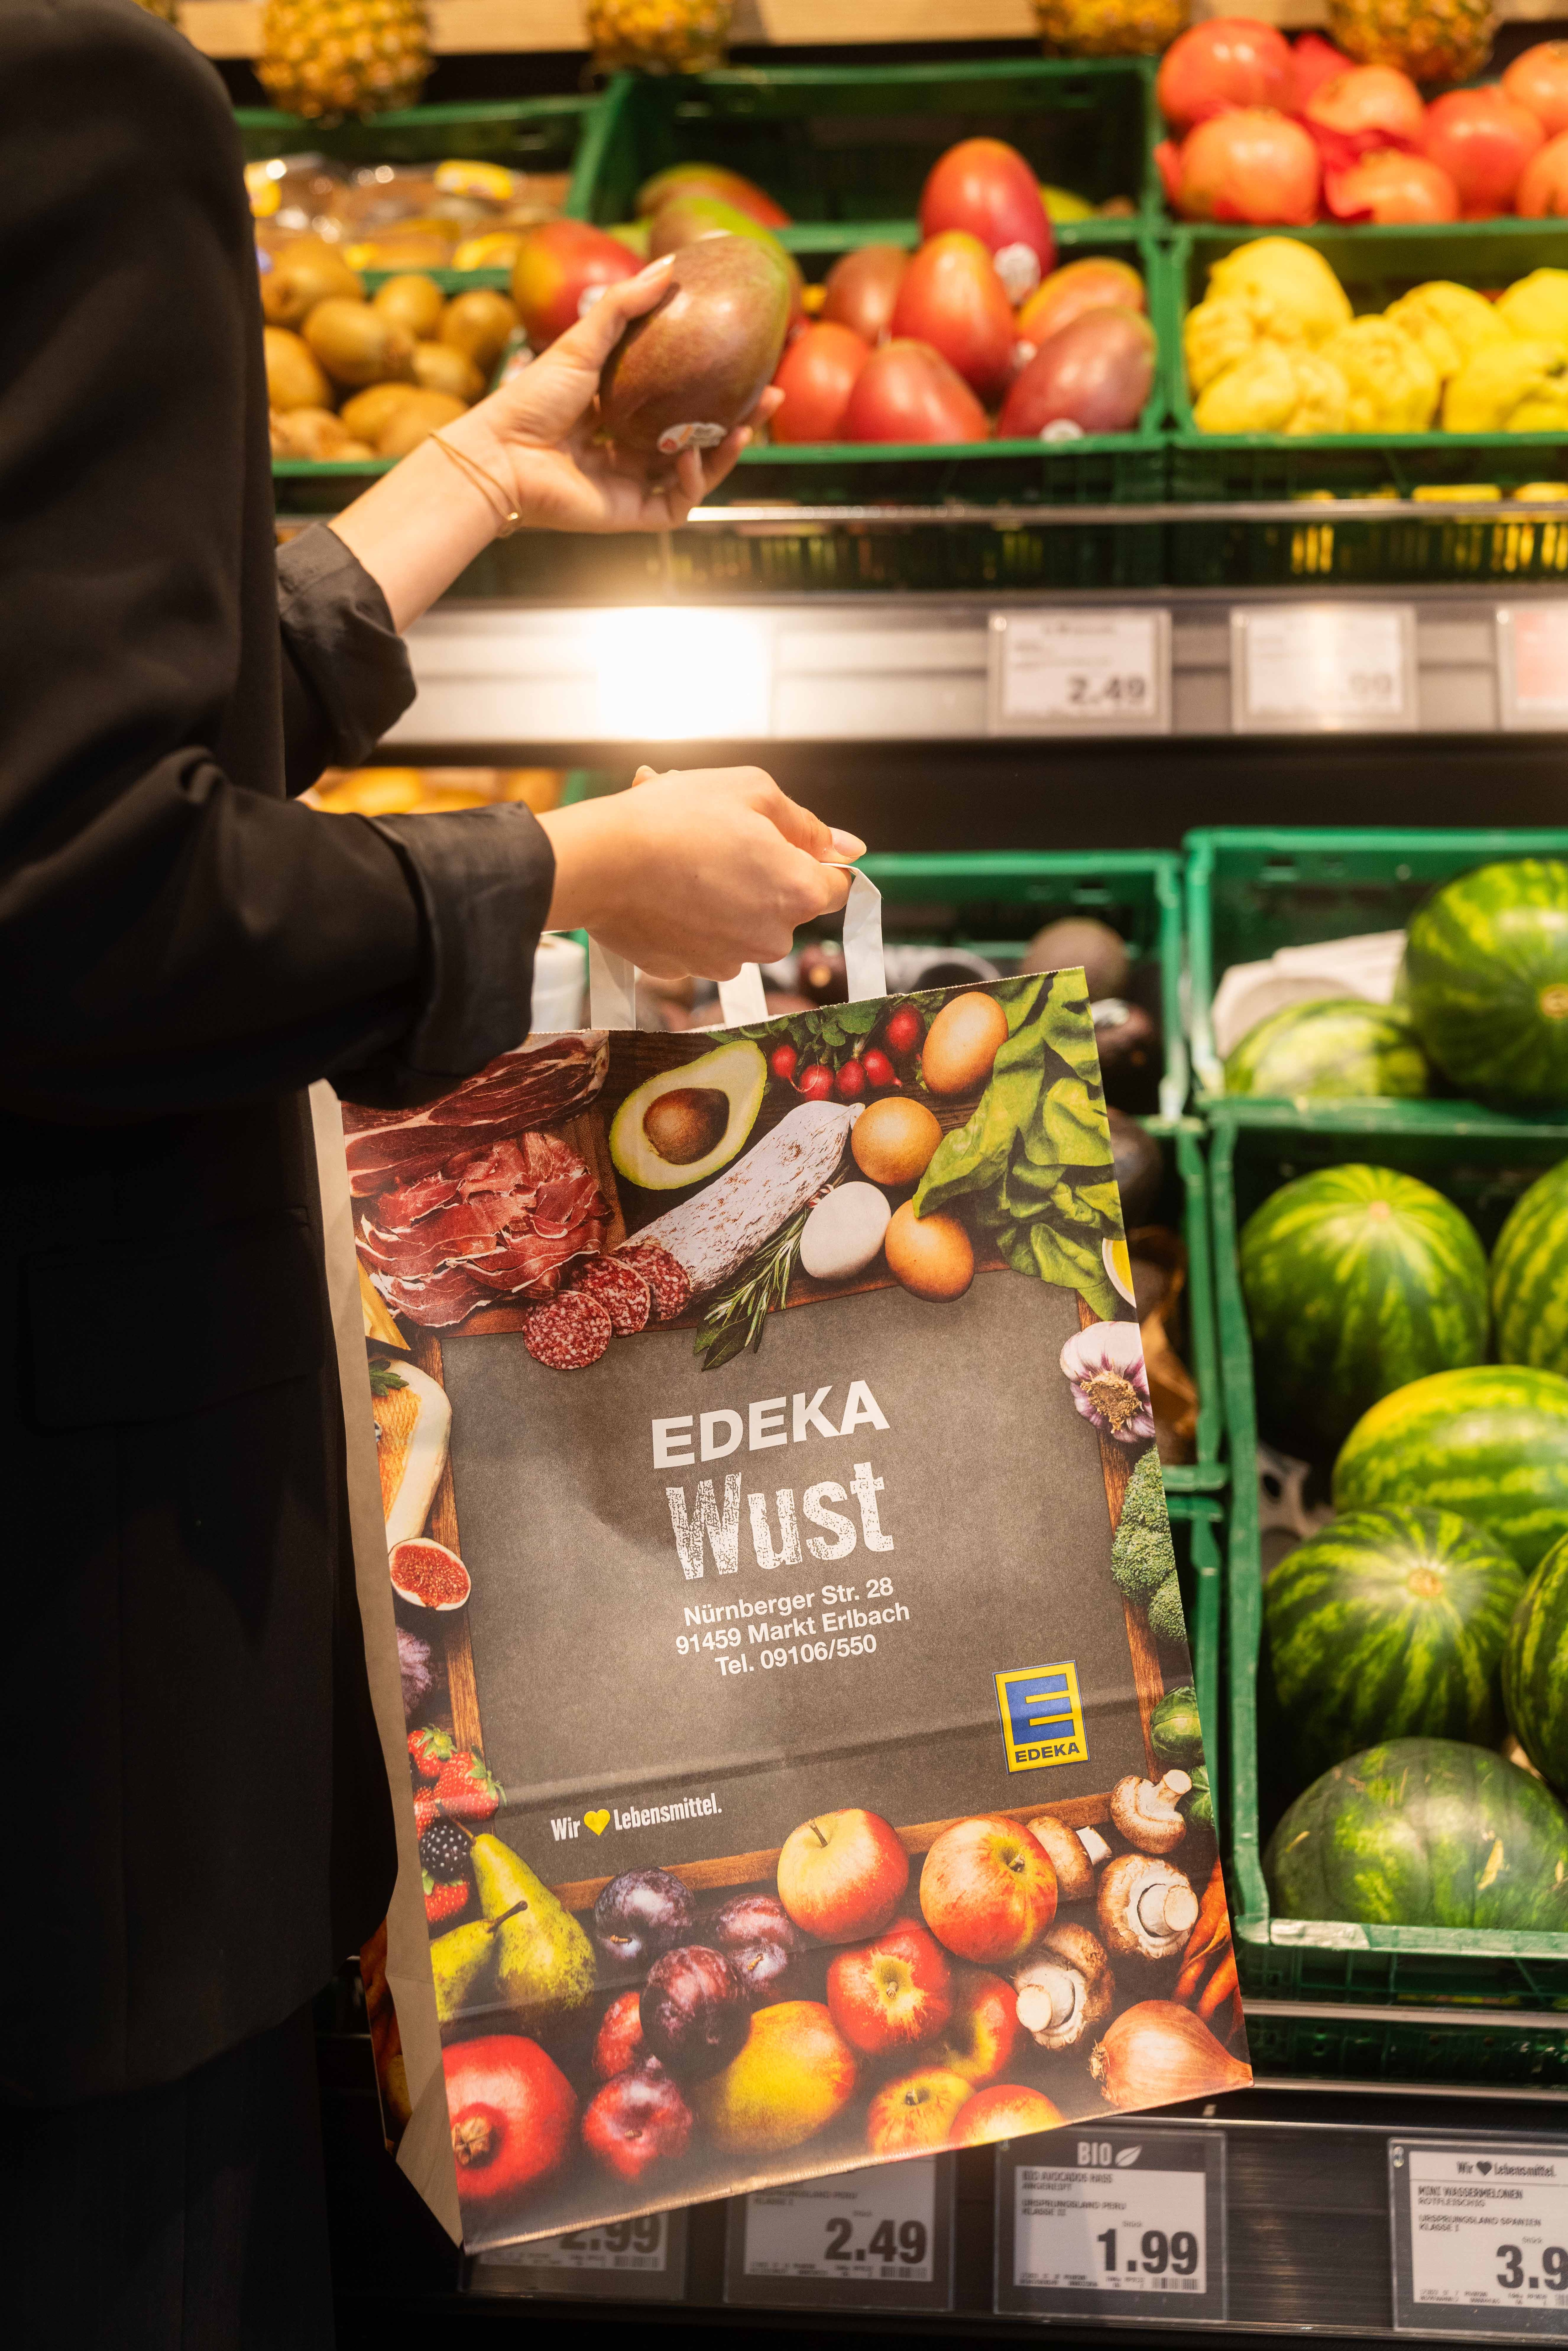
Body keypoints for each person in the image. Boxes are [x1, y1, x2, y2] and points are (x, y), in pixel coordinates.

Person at [0, 5, 859, 2343]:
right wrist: (561, 871)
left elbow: (41, 736)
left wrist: (469, 476)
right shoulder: (67, 84)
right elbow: (77, 893)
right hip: (69, 1737)